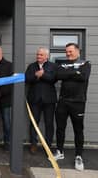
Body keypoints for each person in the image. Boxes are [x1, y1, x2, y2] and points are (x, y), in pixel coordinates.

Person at [53, 43, 91, 171]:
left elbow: (83, 76)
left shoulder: (86, 63)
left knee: (78, 130)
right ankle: (59, 151)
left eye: (70, 51)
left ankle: (78, 156)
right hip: (63, 102)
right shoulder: (62, 64)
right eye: (66, 52)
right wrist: (75, 72)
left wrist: (68, 73)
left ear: (77, 51)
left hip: (78, 103)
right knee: (60, 128)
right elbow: (58, 75)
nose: (68, 54)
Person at [25, 47, 57, 154]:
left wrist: (42, 75)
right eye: (38, 54)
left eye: (41, 55)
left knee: (49, 123)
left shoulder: (53, 66)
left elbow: (53, 79)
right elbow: (27, 79)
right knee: (34, 123)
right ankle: (33, 144)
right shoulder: (31, 66)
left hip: (49, 100)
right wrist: (35, 75)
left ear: (46, 56)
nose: (38, 56)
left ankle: (48, 145)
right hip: (34, 100)